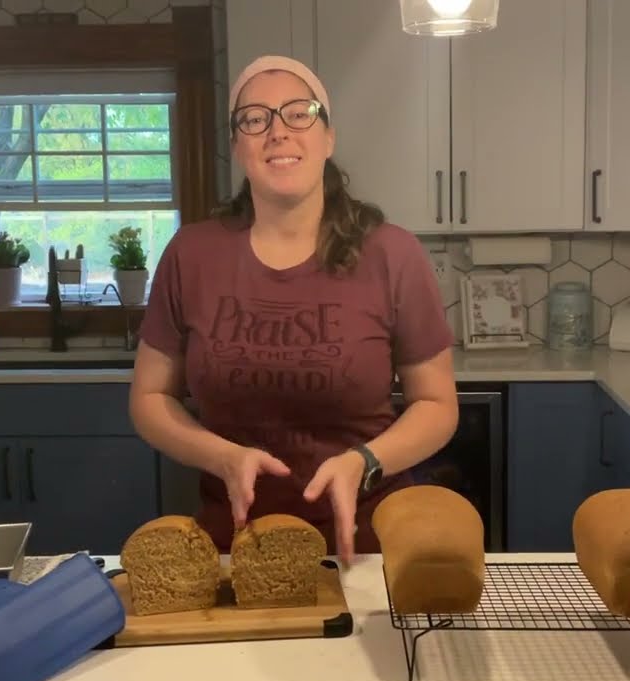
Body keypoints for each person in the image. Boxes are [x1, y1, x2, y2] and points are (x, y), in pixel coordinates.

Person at [129, 55, 458, 564]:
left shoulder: (392, 254)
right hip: (234, 547)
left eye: (299, 113)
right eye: (255, 118)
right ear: (237, 145)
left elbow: (437, 404)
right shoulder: (191, 255)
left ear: (328, 137)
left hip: (364, 548)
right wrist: (222, 456)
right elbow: (150, 397)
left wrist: (364, 461)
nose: (277, 131)